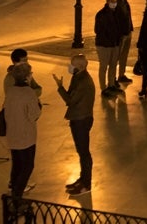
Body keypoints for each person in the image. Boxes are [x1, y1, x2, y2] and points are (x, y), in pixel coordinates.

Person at [52, 53, 95, 195]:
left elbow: (70, 100)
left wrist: (60, 87)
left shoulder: (83, 82)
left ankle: (86, 184)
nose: (70, 66)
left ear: (80, 66)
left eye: (72, 64)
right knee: (81, 151)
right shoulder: (77, 77)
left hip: (81, 119)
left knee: (84, 152)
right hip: (78, 118)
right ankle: (82, 179)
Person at [4, 62, 42, 207]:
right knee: (27, 166)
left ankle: (14, 192)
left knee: (17, 164)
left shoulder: (11, 91)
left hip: (12, 133)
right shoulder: (28, 93)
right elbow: (34, 115)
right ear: (27, 77)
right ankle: (17, 198)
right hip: (26, 135)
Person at [94, 0, 123, 96]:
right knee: (104, 66)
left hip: (114, 44)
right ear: (107, 1)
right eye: (112, 1)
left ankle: (111, 85)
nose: (114, 3)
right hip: (104, 45)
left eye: (115, 1)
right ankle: (103, 88)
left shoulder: (117, 13)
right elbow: (98, 30)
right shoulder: (101, 14)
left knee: (113, 65)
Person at [115, 0, 134, 85]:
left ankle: (121, 75)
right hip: (121, 35)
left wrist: (130, 29)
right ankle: (113, 78)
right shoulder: (117, 3)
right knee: (117, 56)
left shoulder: (125, 2)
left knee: (124, 56)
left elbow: (128, 17)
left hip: (128, 32)